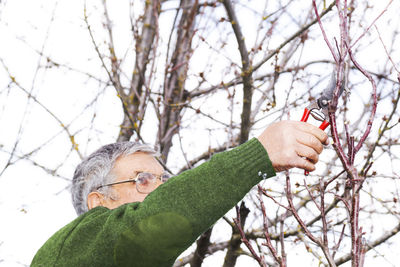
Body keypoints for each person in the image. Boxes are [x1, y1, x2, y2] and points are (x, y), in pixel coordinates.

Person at [31, 121, 328, 267]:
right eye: (142, 180)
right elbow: (144, 231)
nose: (161, 188)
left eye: (163, 179)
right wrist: (257, 155)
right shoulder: (69, 249)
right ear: (99, 201)